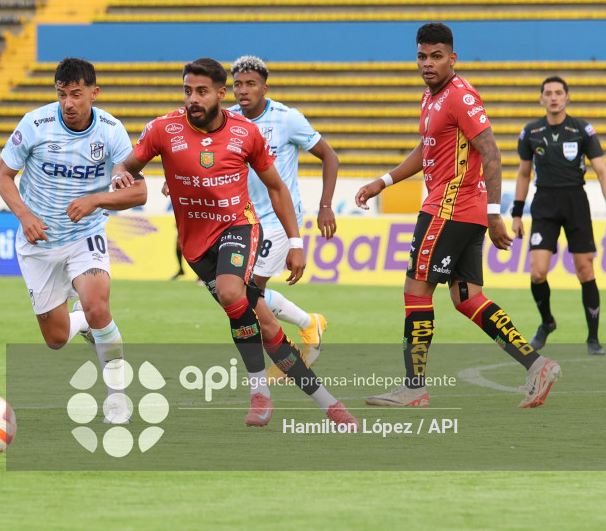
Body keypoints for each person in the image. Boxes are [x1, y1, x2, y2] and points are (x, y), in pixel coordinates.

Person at [112, 57, 357, 428]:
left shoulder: (245, 133)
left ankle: (259, 391)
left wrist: (295, 242)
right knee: (266, 325)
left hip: (238, 227)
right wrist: (120, 178)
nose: (192, 99)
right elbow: (127, 165)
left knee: (231, 293)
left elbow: (276, 187)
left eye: (201, 92)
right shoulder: (164, 129)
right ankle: (330, 405)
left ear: (219, 94)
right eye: (187, 91)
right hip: (195, 246)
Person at [355, 23, 561, 408]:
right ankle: (537, 365)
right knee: (467, 297)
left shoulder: (459, 97)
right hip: (463, 212)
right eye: (422, 56)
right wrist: (383, 181)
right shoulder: (430, 98)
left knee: (415, 291)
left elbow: (492, 152)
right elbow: (427, 148)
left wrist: (496, 214)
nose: (428, 64)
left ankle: (413, 389)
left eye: (436, 57)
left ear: (453, 58)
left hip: (447, 210)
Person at [0, 57, 147, 423]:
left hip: (85, 235)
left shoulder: (110, 131)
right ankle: (82, 323)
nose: (69, 104)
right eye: (62, 95)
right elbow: (2, 176)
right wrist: (25, 215)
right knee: (57, 338)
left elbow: (139, 193)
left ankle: (117, 398)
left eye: (77, 94)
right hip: (38, 243)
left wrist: (98, 198)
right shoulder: (35, 124)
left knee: (98, 306)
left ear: (94, 93)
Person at [228, 55, 338, 381]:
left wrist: (326, 206)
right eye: (237, 84)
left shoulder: (287, 119)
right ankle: (308, 324)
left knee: (245, 294)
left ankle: (284, 353)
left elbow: (329, 156)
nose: (243, 90)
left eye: (251, 84)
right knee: (244, 294)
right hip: (244, 221)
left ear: (265, 87)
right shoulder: (228, 120)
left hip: (278, 220)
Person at [512, 76, 606, 356]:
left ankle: (592, 339)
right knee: (538, 272)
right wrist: (516, 214)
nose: (553, 97)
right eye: (548, 93)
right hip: (545, 203)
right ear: (541, 99)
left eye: (558, 93)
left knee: (585, 270)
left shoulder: (582, 130)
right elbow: (524, 174)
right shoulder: (531, 132)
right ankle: (547, 322)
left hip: (575, 201)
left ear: (567, 97)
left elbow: (601, 169)